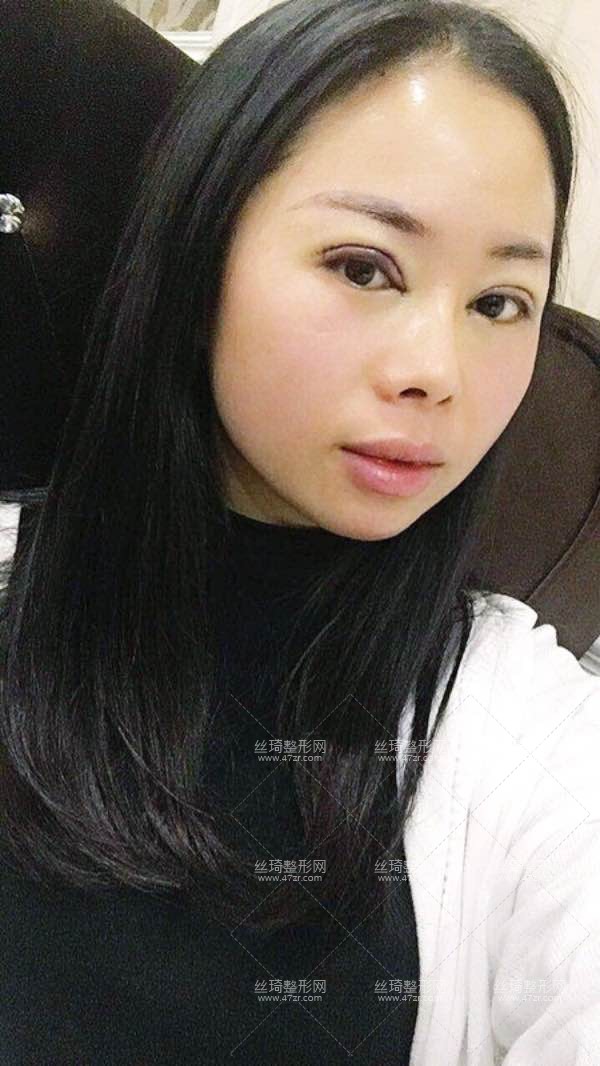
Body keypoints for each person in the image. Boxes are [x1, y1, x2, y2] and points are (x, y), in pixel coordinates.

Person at [0, 1, 598, 1063]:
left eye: (500, 302)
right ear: (197, 256)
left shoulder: (523, 731)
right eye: (365, 268)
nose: (439, 372)